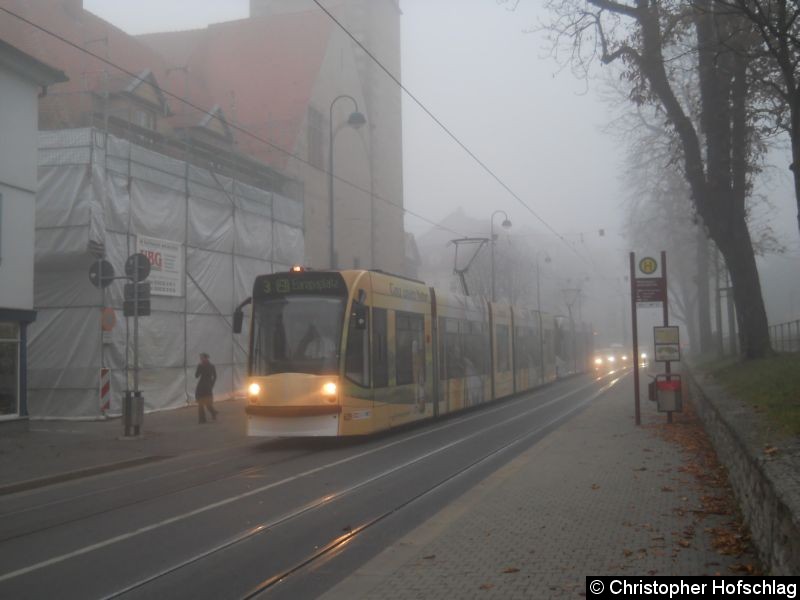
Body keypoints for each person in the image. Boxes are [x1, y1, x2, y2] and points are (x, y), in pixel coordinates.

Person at [195, 352, 217, 423]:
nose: (201, 359)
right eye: (200, 358)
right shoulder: (207, 366)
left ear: (206, 358)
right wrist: (212, 384)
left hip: (205, 386)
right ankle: (204, 418)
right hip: (204, 386)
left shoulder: (207, 366)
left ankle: (211, 414)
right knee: (203, 403)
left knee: (206, 403)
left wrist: (211, 384)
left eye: (202, 358)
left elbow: (196, 375)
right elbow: (197, 376)